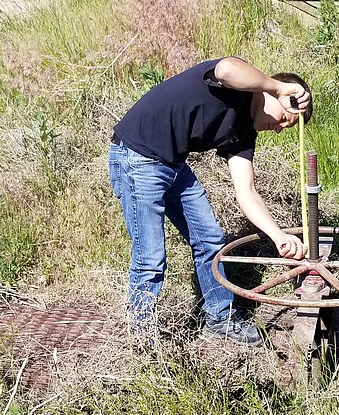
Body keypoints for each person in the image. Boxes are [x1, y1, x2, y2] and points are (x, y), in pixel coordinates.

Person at [108, 56, 312, 346]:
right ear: (273, 93)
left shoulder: (243, 133)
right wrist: (278, 86)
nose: (279, 128)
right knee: (150, 258)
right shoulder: (241, 84)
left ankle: (220, 318)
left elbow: (247, 192)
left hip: (172, 165)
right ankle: (141, 338)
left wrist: (278, 236)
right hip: (136, 157)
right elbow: (226, 68)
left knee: (210, 240)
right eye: (283, 118)